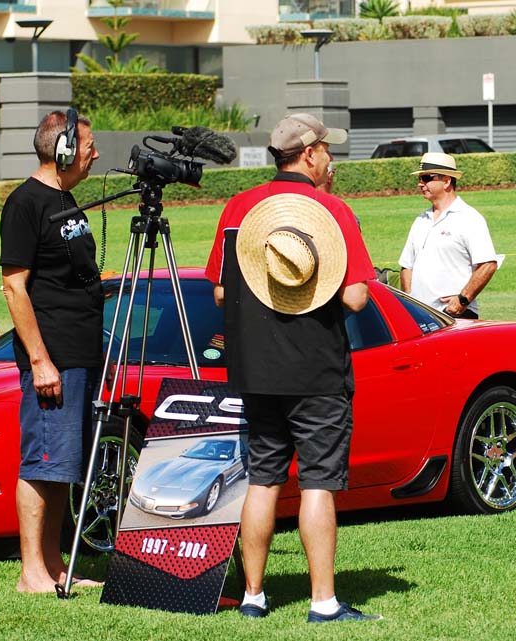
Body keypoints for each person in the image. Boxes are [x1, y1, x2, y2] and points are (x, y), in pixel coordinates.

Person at [204, 113, 380, 623]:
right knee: (318, 482)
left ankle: (254, 596)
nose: (330, 157)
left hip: (254, 369)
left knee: (263, 479)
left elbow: (220, 292)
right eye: (327, 149)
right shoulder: (331, 210)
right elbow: (356, 297)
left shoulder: (237, 208)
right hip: (316, 369)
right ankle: (323, 602)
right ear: (309, 154)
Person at [0, 109, 102, 593]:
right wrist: (40, 361)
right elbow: (14, 287)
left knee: (63, 465)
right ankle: (30, 572)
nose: (95, 154)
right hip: (53, 357)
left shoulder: (66, 200)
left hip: (79, 354)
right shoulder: (26, 203)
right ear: (63, 151)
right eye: (88, 146)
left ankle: (55, 564)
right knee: (42, 462)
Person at [398, 152, 498, 318]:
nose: (420, 184)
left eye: (427, 178)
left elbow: (488, 264)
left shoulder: (469, 218)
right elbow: (407, 265)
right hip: (421, 317)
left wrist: (462, 301)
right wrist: (410, 301)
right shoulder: (421, 220)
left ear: (446, 181)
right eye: (420, 179)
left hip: (454, 316)